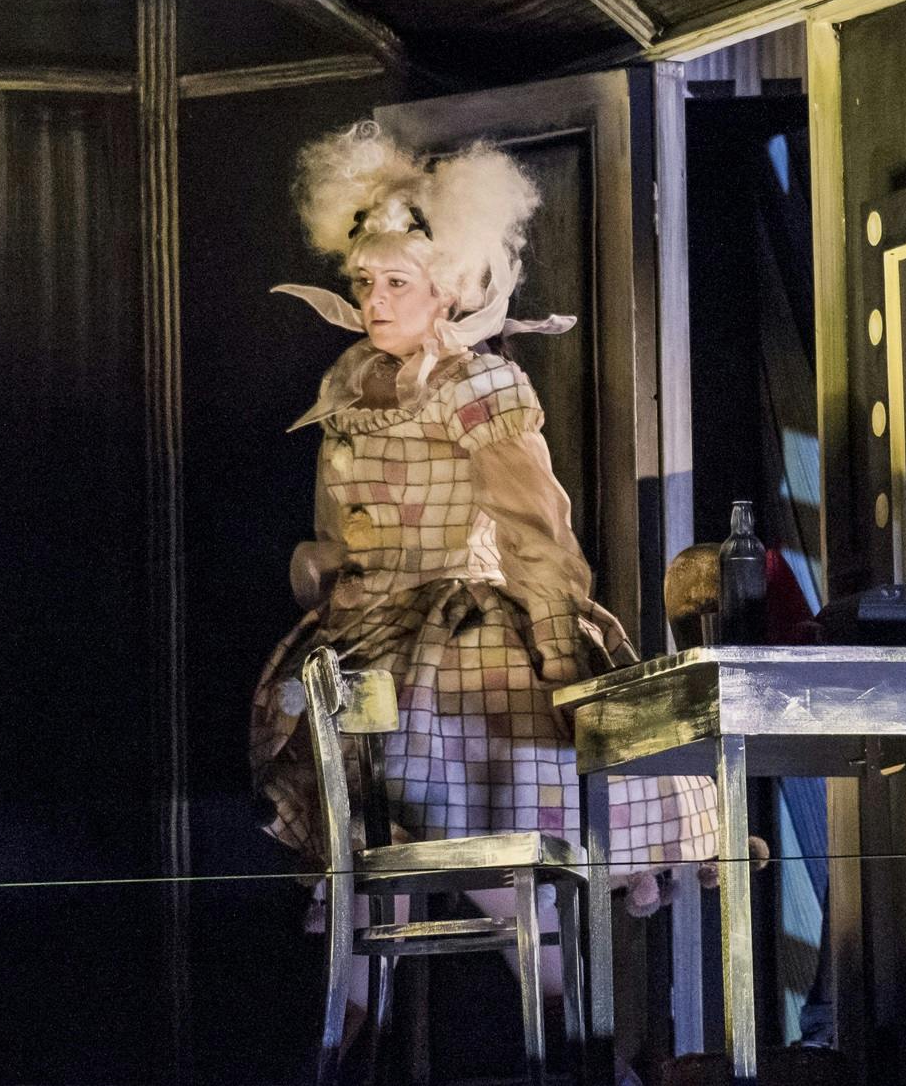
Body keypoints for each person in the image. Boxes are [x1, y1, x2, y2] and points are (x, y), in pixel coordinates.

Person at [248, 123, 719, 1021]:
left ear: (447, 290)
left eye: (398, 283)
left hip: (463, 641)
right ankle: (350, 1042)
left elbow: (534, 526)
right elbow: (336, 531)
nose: (377, 301)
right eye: (366, 283)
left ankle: (582, 1042)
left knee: (497, 850)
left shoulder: (479, 386)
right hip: (364, 645)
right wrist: (324, 574)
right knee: (362, 859)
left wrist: (556, 645)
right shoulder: (348, 391)